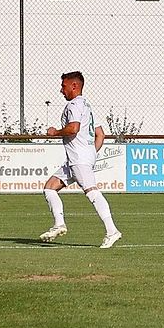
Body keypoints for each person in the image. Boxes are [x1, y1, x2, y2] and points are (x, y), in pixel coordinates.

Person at [39, 71, 122, 249]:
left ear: (74, 86)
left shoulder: (74, 105)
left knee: (92, 192)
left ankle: (112, 231)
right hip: (79, 158)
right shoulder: (88, 106)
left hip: (79, 159)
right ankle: (59, 224)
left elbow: (73, 128)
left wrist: (55, 132)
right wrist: (91, 152)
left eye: (63, 86)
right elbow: (100, 135)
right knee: (49, 187)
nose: (61, 90)